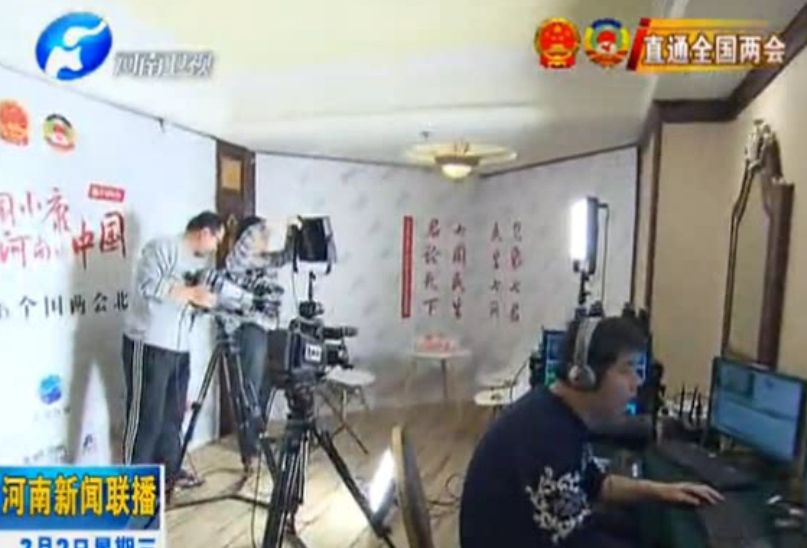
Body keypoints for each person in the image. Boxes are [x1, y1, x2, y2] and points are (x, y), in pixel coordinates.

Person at [459, 315, 723, 548]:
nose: (637, 382)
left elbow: (597, 484)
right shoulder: (545, 436)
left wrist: (661, 491)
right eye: (627, 369)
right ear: (585, 375)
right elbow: (579, 540)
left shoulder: (557, 414)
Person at [121, 211, 224, 497]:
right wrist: (191, 293)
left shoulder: (199, 264)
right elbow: (148, 285)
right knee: (146, 417)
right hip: (149, 344)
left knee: (173, 417)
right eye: (216, 240)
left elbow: (187, 302)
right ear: (204, 232)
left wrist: (203, 303)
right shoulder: (162, 248)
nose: (215, 248)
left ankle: (169, 473)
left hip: (180, 349)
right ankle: (132, 486)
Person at [223, 215, 297, 466]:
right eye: (261, 236)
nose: (266, 239)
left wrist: (293, 231)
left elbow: (286, 256)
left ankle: (258, 438)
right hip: (248, 329)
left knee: (265, 386)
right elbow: (245, 244)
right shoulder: (238, 261)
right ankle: (249, 447)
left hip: (267, 329)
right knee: (250, 387)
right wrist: (270, 224)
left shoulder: (266, 260)